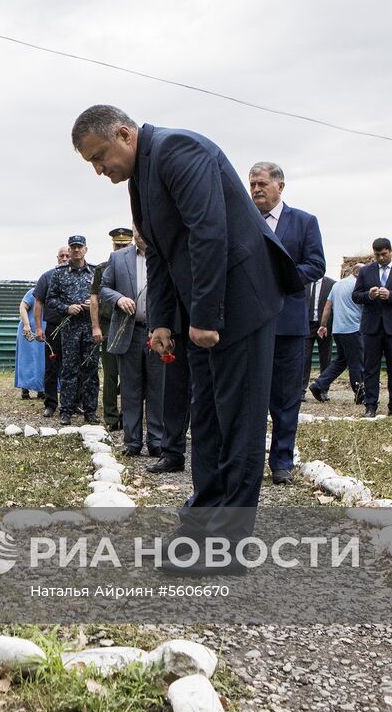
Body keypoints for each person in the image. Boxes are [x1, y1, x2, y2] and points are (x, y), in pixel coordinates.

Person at [72, 105, 298, 541]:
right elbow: (159, 251)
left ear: (124, 134)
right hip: (201, 310)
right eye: (92, 164)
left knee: (238, 423)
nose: (99, 170)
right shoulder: (140, 177)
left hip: (239, 304)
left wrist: (206, 316)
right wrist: (162, 322)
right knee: (207, 418)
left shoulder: (178, 149)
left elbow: (209, 232)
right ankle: (201, 523)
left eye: (100, 156)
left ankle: (227, 541)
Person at [248, 161, 325, 485]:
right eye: (252, 184)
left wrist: (282, 277)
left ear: (280, 186)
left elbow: (316, 264)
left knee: (285, 398)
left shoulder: (304, 222)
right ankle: (249, 462)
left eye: (262, 184)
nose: (256, 190)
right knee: (251, 397)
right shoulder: (244, 220)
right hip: (250, 324)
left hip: (289, 323)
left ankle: (281, 462)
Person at [100, 229, 165, 457]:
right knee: (130, 389)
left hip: (157, 332)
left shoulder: (163, 254)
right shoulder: (118, 258)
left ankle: (156, 440)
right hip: (129, 331)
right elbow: (103, 288)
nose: (141, 233)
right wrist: (118, 299)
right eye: (137, 228)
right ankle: (132, 441)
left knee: (157, 389)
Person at [353, 237, 392, 418]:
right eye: (377, 255)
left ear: (390, 251)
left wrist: (391, 295)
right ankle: (370, 406)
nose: (381, 258)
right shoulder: (365, 271)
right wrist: (369, 295)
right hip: (371, 327)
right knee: (370, 368)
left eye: (384, 254)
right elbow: (356, 296)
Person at [44, 235, 102, 425]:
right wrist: (67, 308)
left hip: (90, 326)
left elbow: (103, 295)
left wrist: (94, 303)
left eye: (80, 247)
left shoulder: (95, 272)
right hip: (69, 328)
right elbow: (50, 299)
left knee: (91, 370)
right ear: (69, 251)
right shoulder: (59, 273)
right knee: (69, 370)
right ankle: (66, 411)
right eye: (73, 247)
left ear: (85, 249)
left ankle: (90, 411)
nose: (76, 250)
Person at [89, 227, 134, 430]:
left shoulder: (139, 266)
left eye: (125, 245)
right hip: (109, 325)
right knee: (110, 374)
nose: (121, 248)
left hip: (132, 324)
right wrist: (96, 327)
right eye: (118, 245)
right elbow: (94, 300)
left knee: (131, 374)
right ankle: (111, 418)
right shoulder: (102, 268)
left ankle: (128, 415)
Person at [309, 265, 365, 404]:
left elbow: (327, 306)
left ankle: (318, 385)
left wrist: (323, 325)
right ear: (357, 272)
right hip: (353, 328)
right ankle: (360, 394)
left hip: (338, 330)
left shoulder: (337, 285)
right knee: (356, 362)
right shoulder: (358, 285)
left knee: (341, 361)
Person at [32, 246, 70, 418]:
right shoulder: (47, 277)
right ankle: (51, 404)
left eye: (67, 255)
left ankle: (73, 403)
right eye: (62, 255)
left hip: (74, 328)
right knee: (52, 368)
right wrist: (39, 328)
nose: (64, 258)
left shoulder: (80, 276)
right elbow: (38, 303)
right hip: (53, 328)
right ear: (57, 258)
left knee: (73, 368)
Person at [304, 275, 335, 389]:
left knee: (325, 357)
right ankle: (302, 389)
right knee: (305, 357)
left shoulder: (332, 284)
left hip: (325, 325)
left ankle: (323, 388)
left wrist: (327, 324)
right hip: (307, 324)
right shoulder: (305, 282)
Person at [15, 287, 45, 398]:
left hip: (44, 331)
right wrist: (27, 325)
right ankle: (25, 388)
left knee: (42, 360)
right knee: (26, 359)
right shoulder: (33, 292)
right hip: (29, 331)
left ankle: (41, 389)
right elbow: (22, 307)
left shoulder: (53, 294)